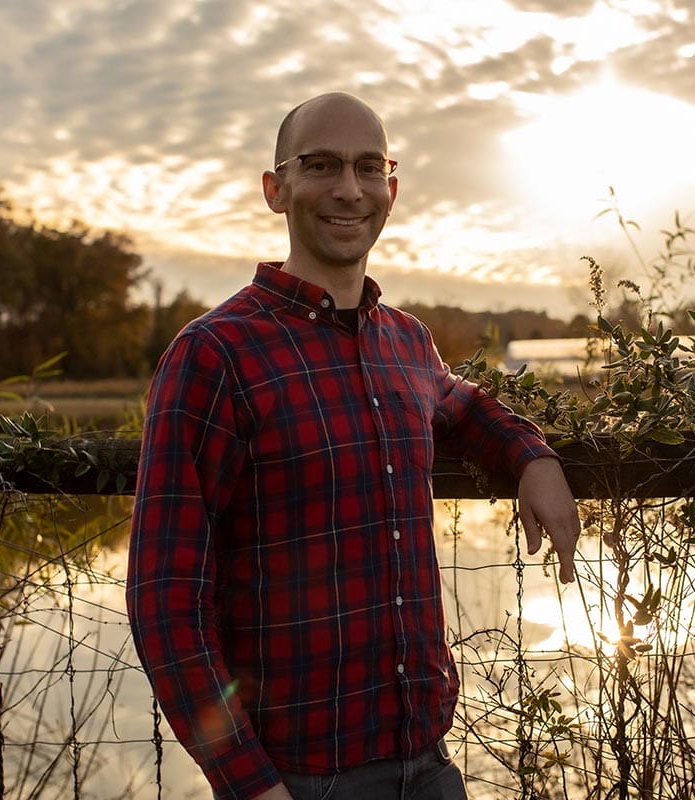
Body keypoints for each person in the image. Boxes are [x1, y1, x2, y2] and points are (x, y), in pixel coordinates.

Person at [126, 92, 581, 800]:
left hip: (429, 766)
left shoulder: (406, 340)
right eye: (321, 165)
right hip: (298, 781)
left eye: (369, 167)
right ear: (275, 190)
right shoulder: (214, 354)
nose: (348, 188)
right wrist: (248, 784)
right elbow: (165, 601)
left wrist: (534, 456)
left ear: (390, 191)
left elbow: (459, 406)